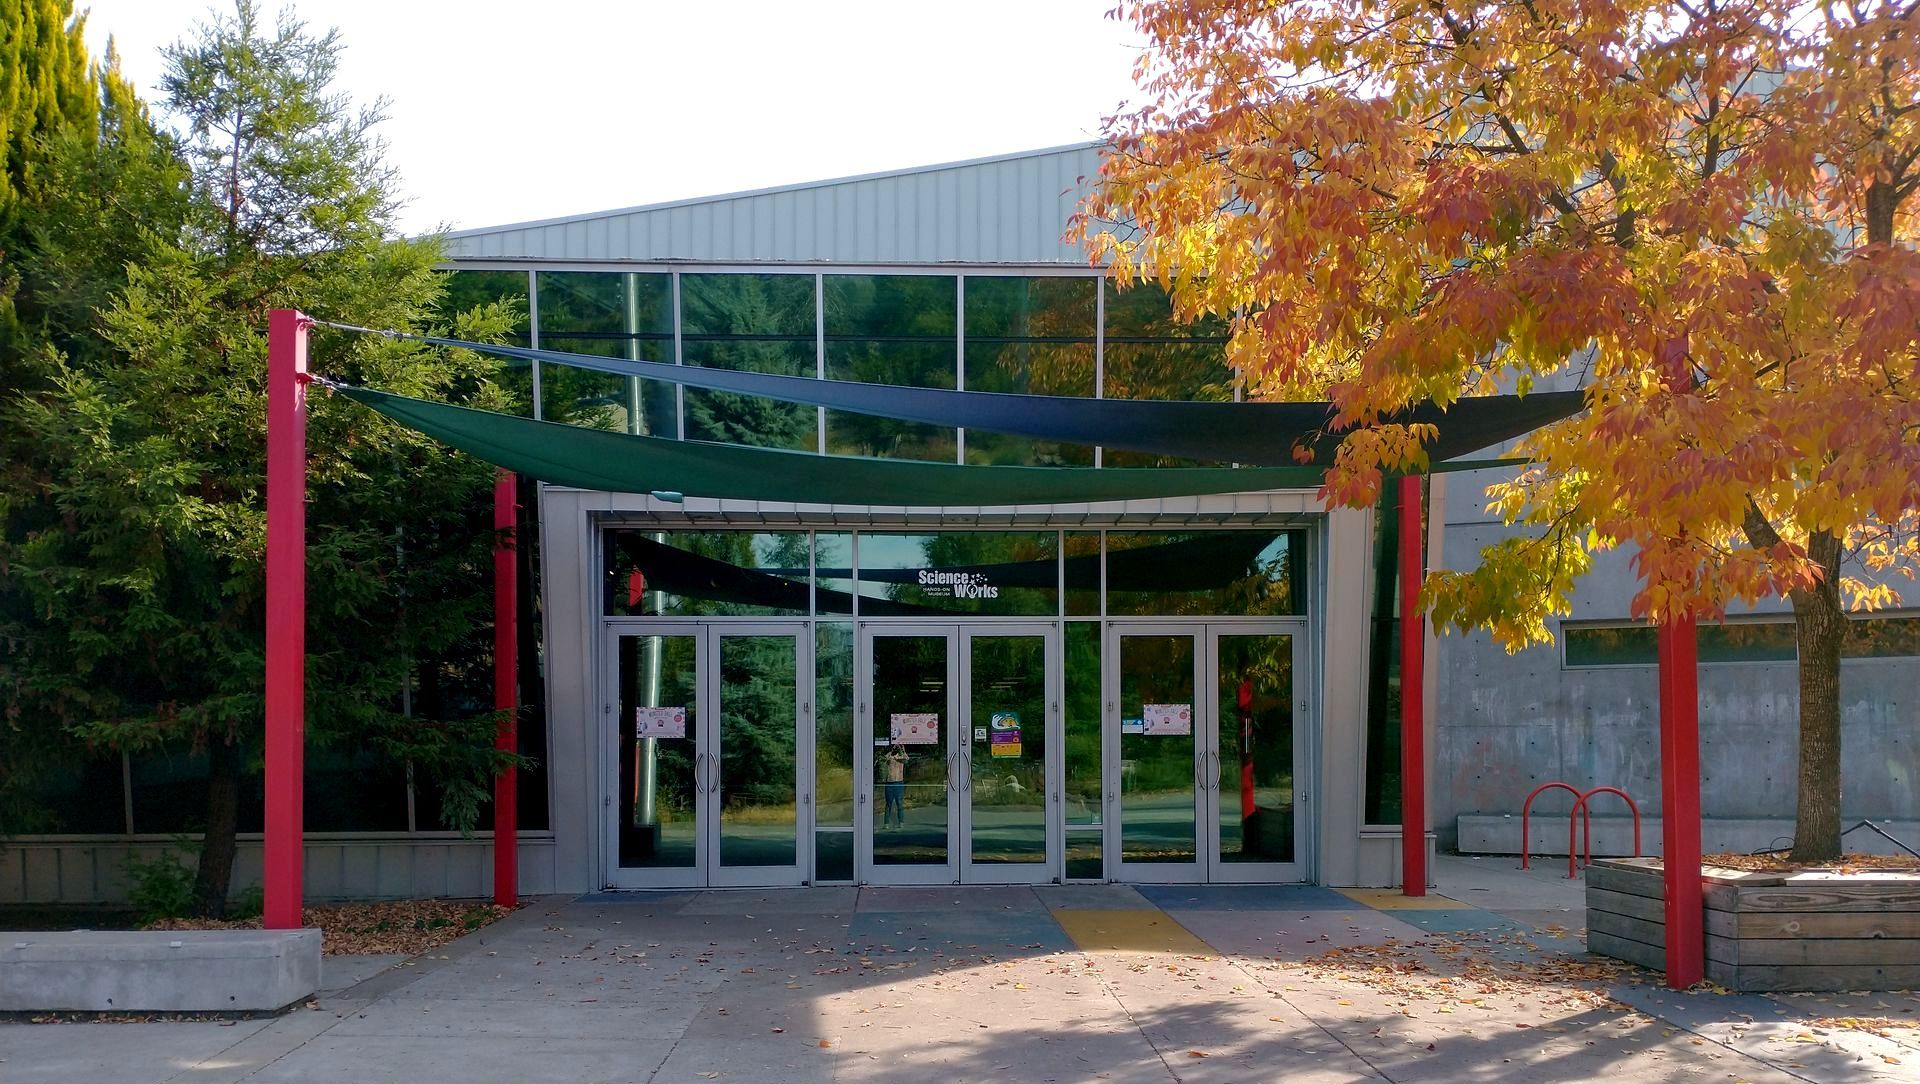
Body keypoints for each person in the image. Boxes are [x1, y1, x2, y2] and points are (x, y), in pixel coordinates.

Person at [882, 745, 907, 828]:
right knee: (888, 804)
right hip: (889, 782)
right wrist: (892, 751)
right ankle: (886, 823)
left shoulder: (902, 755)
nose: (896, 748)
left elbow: (906, 759)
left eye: (897, 746)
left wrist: (901, 749)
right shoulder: (889, 755)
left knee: (899, 803)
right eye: (895, 746)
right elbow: (886, 759)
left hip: (899, 782)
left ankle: (901, 822)